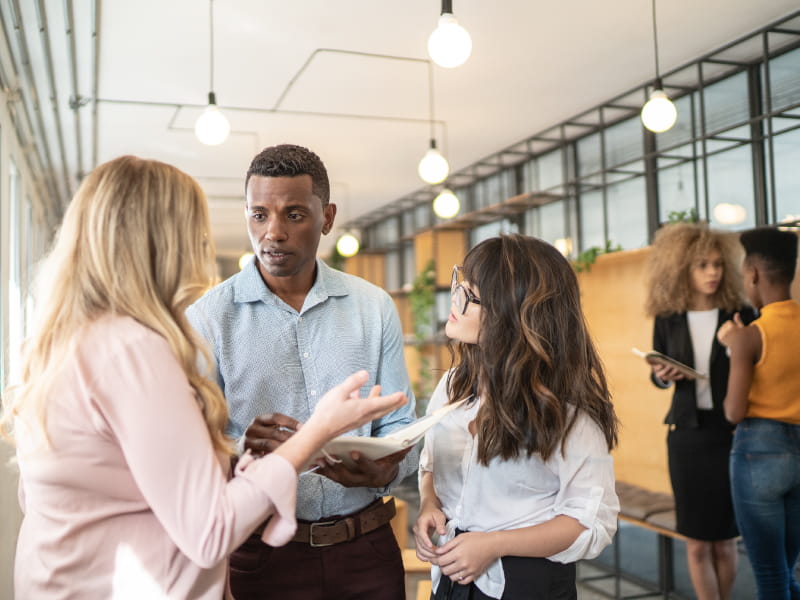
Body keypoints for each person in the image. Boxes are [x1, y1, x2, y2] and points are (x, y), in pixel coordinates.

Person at [0, 156, 407, 599]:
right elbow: (207, 526)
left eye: (293, 214)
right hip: (232, 559)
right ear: (162, 240)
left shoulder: (61, 343)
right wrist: (316, 432)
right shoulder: (141, 346)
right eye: (194, 228)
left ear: (325, 218)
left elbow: (68, 495)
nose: (201, 242)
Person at [186, 144, 417, 600]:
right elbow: (192, 450)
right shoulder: (208, 319)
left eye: (294, 215)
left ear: (327, 217)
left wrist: (385, 471)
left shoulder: (373, 307)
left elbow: (401, 426)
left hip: (367, 550)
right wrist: (240, 450)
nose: (273, 233)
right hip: (262, 554)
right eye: (259, 215)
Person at [413, 234, 619, 600]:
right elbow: (432, 462)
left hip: (526, 582)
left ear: (512, 315)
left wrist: (493, 544)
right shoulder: (453, 386)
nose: (455, 300)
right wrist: (430, 504)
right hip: (450, 575)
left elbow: (590, 521)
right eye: (459, 284)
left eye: (470, 296)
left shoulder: (567, 414)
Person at [644, 221, 753, 600]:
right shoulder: (668, 317)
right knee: (695, 543)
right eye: (701, 265)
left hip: (730, 435)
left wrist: (732, 347)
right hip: (687, 437)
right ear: (682, 269)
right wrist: (663, 374)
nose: (712, 272)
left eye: (717, 264)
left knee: (724, 541)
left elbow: (757, 370)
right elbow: (658, 378)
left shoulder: (740, 313)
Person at [716, 227, 800, 600]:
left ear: (752, 274)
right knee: (786, 567)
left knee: (769, 575)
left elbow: (733, 411)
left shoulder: (750, 335)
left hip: (760, 453)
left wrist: (734, 346)